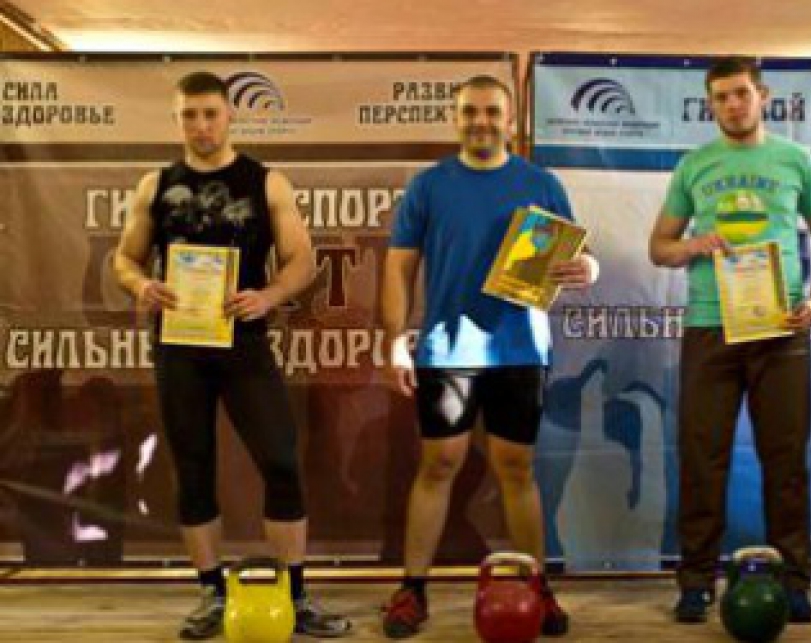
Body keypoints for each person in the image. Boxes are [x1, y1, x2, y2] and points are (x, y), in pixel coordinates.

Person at [114, 71, 351, 640]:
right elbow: (124, 258)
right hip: (179, 344)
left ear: (229, 116)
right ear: (177, 120)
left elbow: (302, 259)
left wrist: (268, 295)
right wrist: (141, 285)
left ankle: (295, 596)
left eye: (210, 114)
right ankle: (211, 596)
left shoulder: (266, 182)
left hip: (244, 343)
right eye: (189, 115)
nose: (200, 126)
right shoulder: (154, 185)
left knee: (281, 462)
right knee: (193, 468)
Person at [380, 74, 599, 639]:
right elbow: (399, 267)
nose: (481, 121)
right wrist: (395, 337)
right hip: (447, 349)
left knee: (516, 469)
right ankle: (412, 590)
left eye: (492, 112)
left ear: (511, 120)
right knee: (438, 465)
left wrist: (588, 268)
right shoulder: (429, 186)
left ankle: (537, 588)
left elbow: (580, 255)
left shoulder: (541, 184)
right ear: (457, 118)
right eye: (470, 111)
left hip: (520, 349)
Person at [649, 56, 811, 625]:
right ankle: (695, 583)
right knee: (701, 459)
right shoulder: (695, 165)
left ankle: (794, 582)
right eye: (721, 97)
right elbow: (659, 247)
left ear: (763, 95)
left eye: (740, 94)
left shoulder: (796, 159)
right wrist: (693, 245)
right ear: (710, 105)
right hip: (710, 327)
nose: (732, 105)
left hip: (780, 328)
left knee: (786, 461)